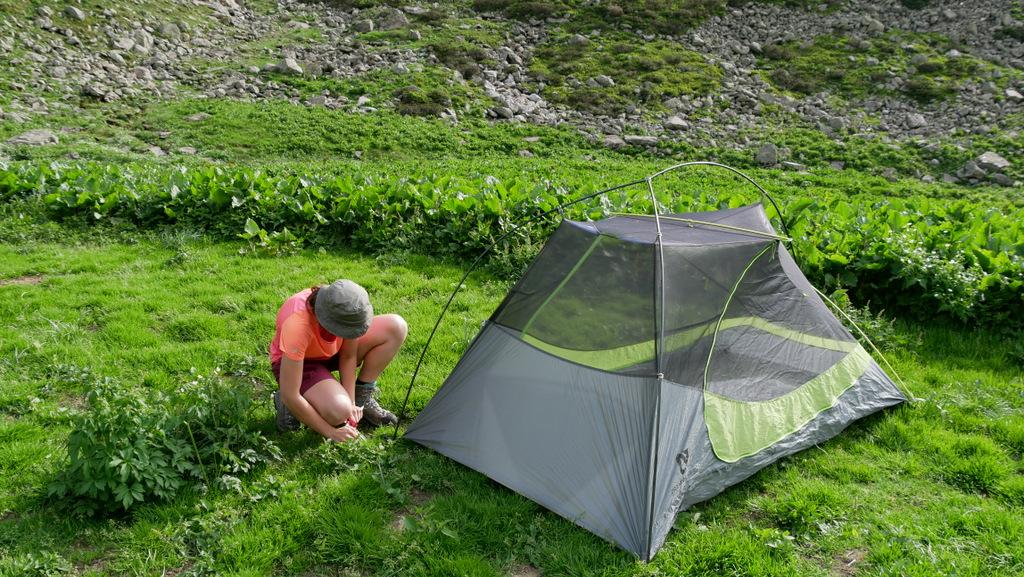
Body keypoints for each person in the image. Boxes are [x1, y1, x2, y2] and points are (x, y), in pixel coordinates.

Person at [269, 279, 407, 442]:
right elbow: (290, 395)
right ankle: (290, 405)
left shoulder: (347, 312)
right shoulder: (297, 324)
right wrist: (331, 432)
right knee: (339, 411)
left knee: (396, 326)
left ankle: (363, 399)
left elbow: (348, 356)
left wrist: (353, 401)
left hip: (331, 352)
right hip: (301, 364)